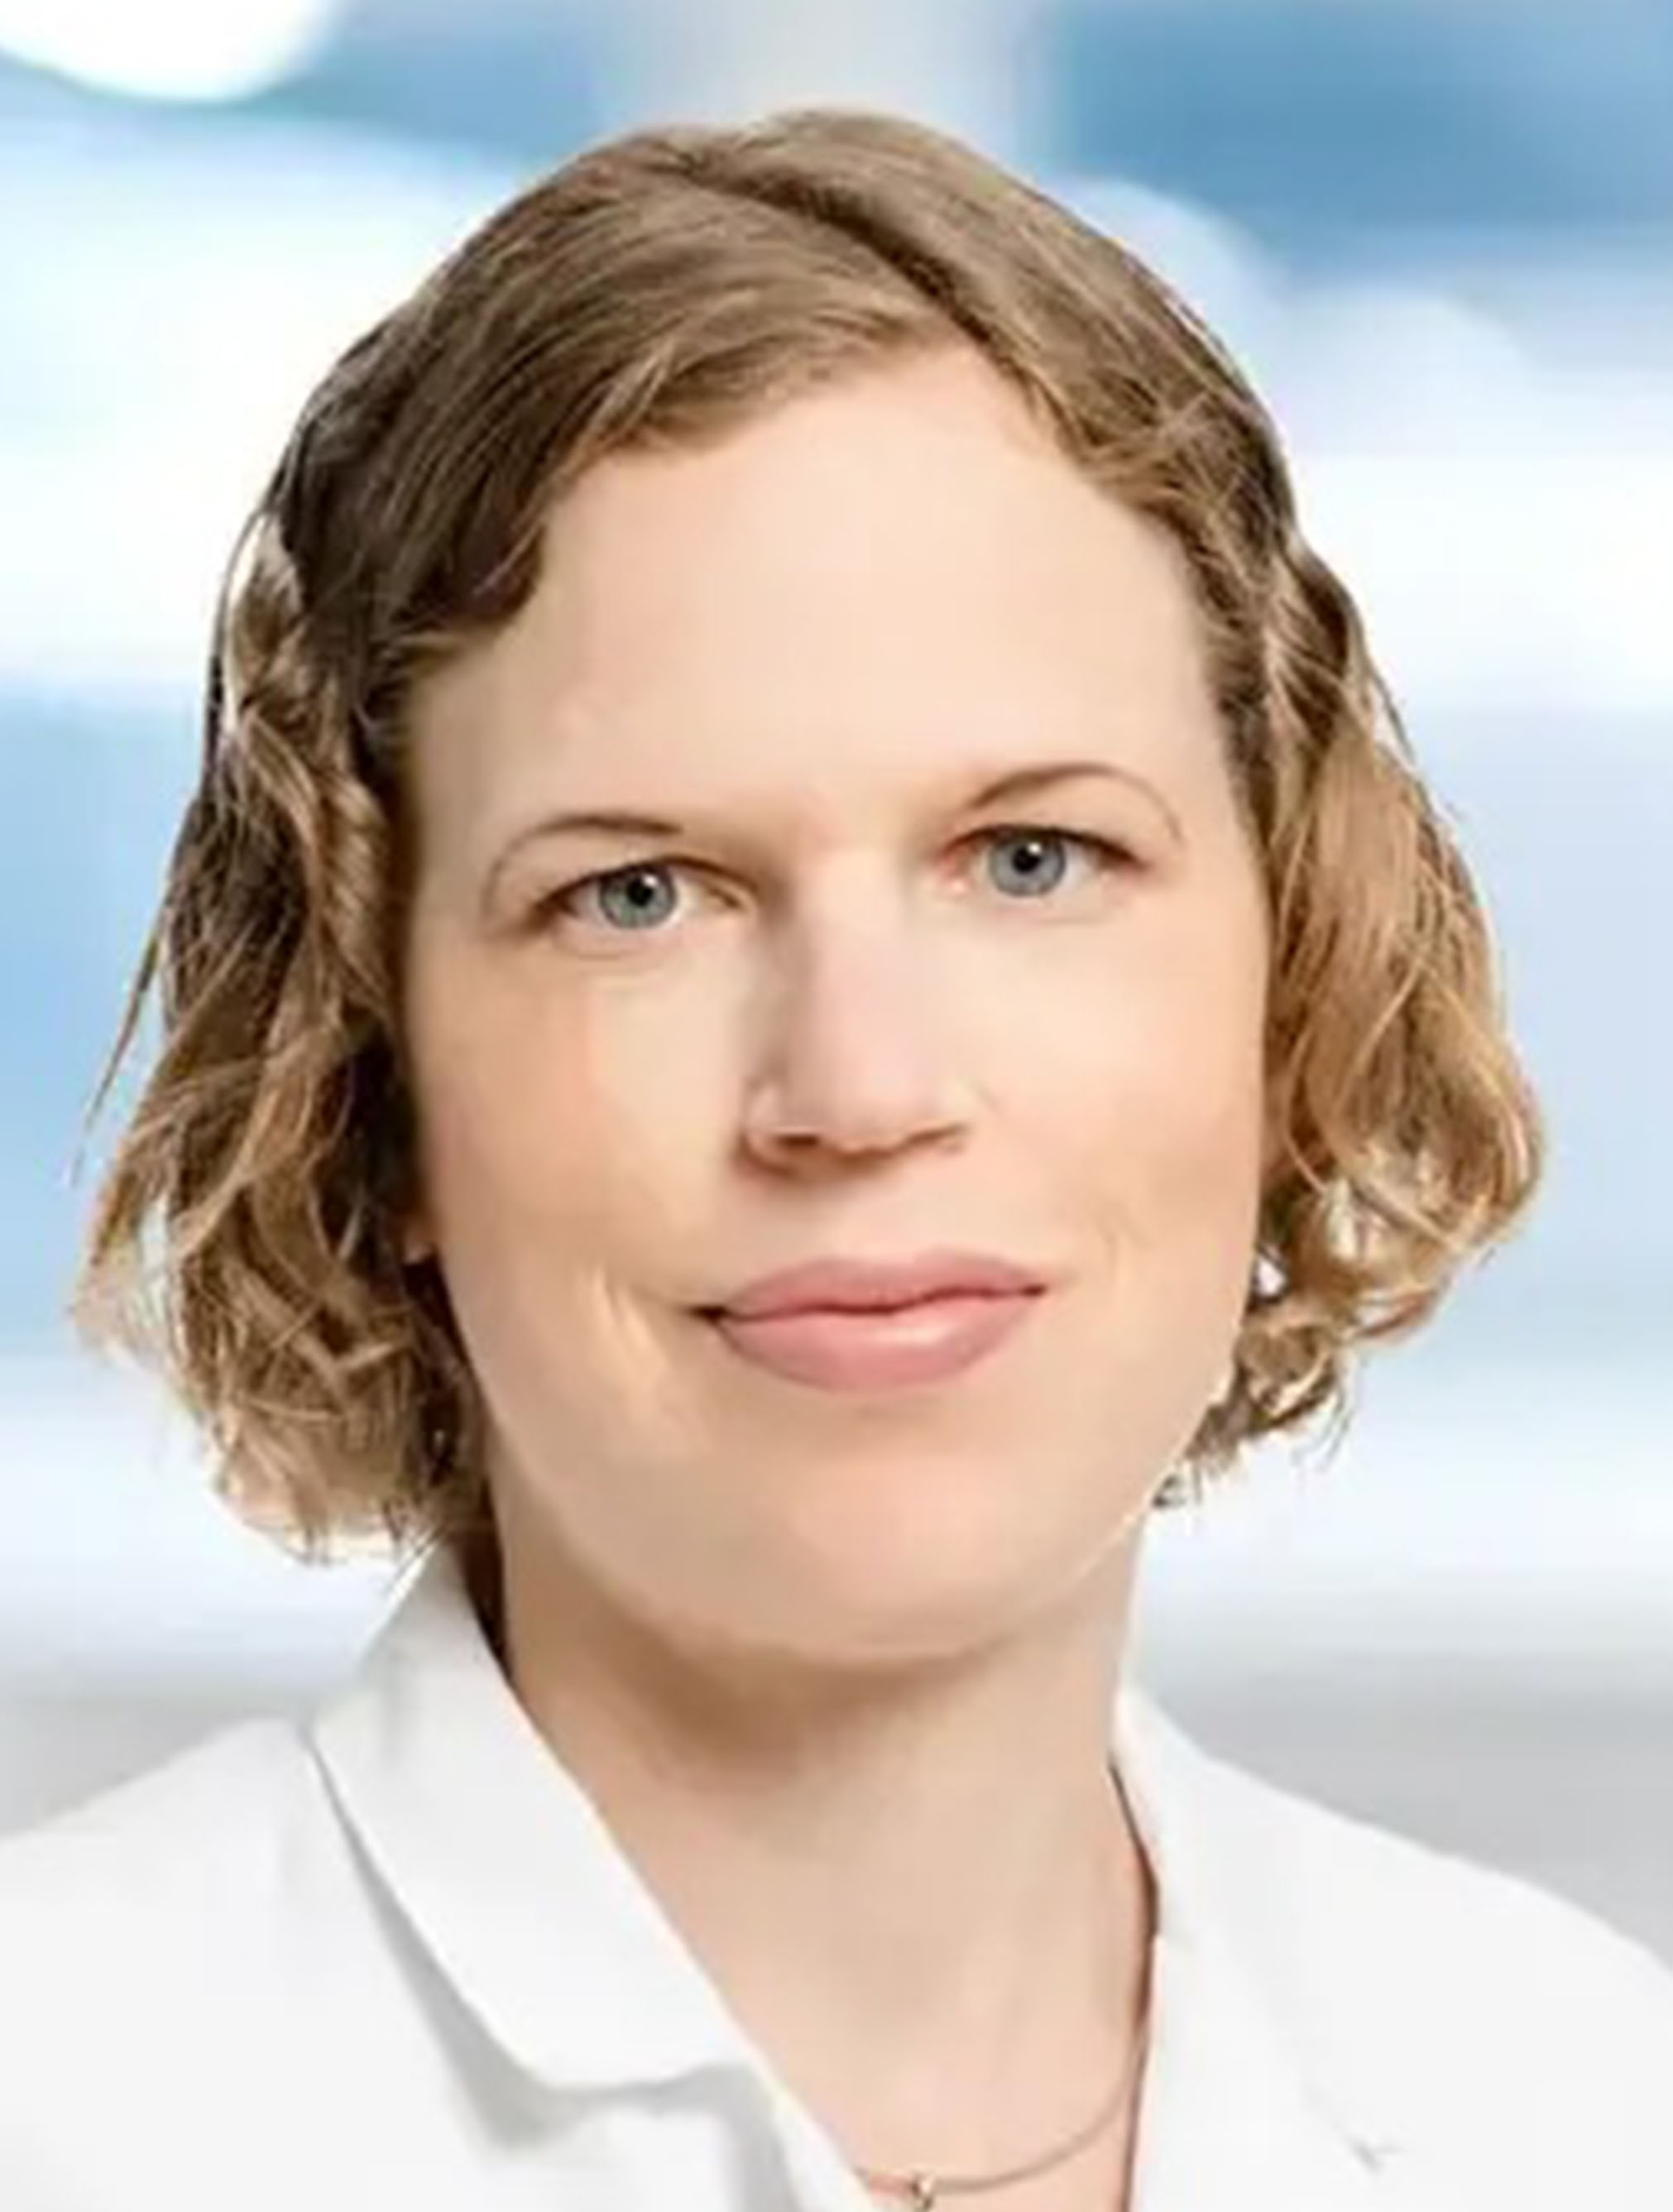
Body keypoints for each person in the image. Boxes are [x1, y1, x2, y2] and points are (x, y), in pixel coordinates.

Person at [0, 105, 1666, 2212]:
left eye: (1031, 856)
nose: (858, 1086)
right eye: (638, 894)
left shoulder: (1582, 2103)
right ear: (372, 1068)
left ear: (1288, 983)